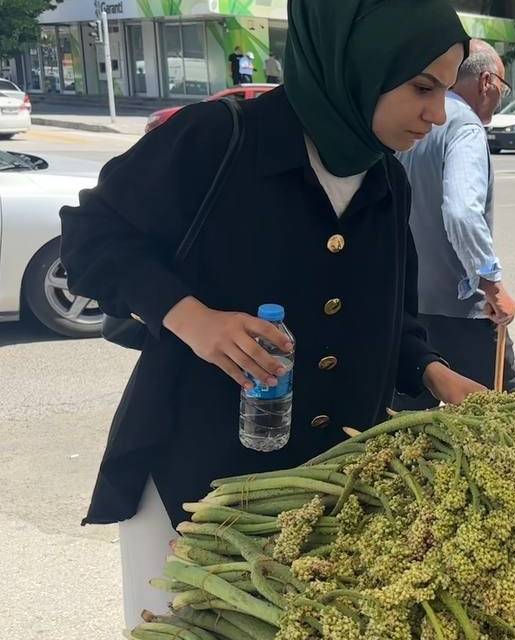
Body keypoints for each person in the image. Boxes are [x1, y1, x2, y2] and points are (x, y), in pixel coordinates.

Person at [59, 0, 482, 625]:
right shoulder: (218, 139)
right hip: (194, 485)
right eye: (422, 87)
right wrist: (190, 317)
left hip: (324, 496)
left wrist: (438, 377)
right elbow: (90, 236)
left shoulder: (386, 180)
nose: (437, 113)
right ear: (357, 61)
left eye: (446, 90)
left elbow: (391, 320)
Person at [396, 40, 515, 408]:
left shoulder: (411, 122)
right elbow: (462, 212)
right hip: (461, 314)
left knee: (415, 430)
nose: (500, 95)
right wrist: (492, 285)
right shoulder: (464, 126)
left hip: (408, 306)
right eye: (502, 85)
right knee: (505, 422)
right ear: (486, 82)